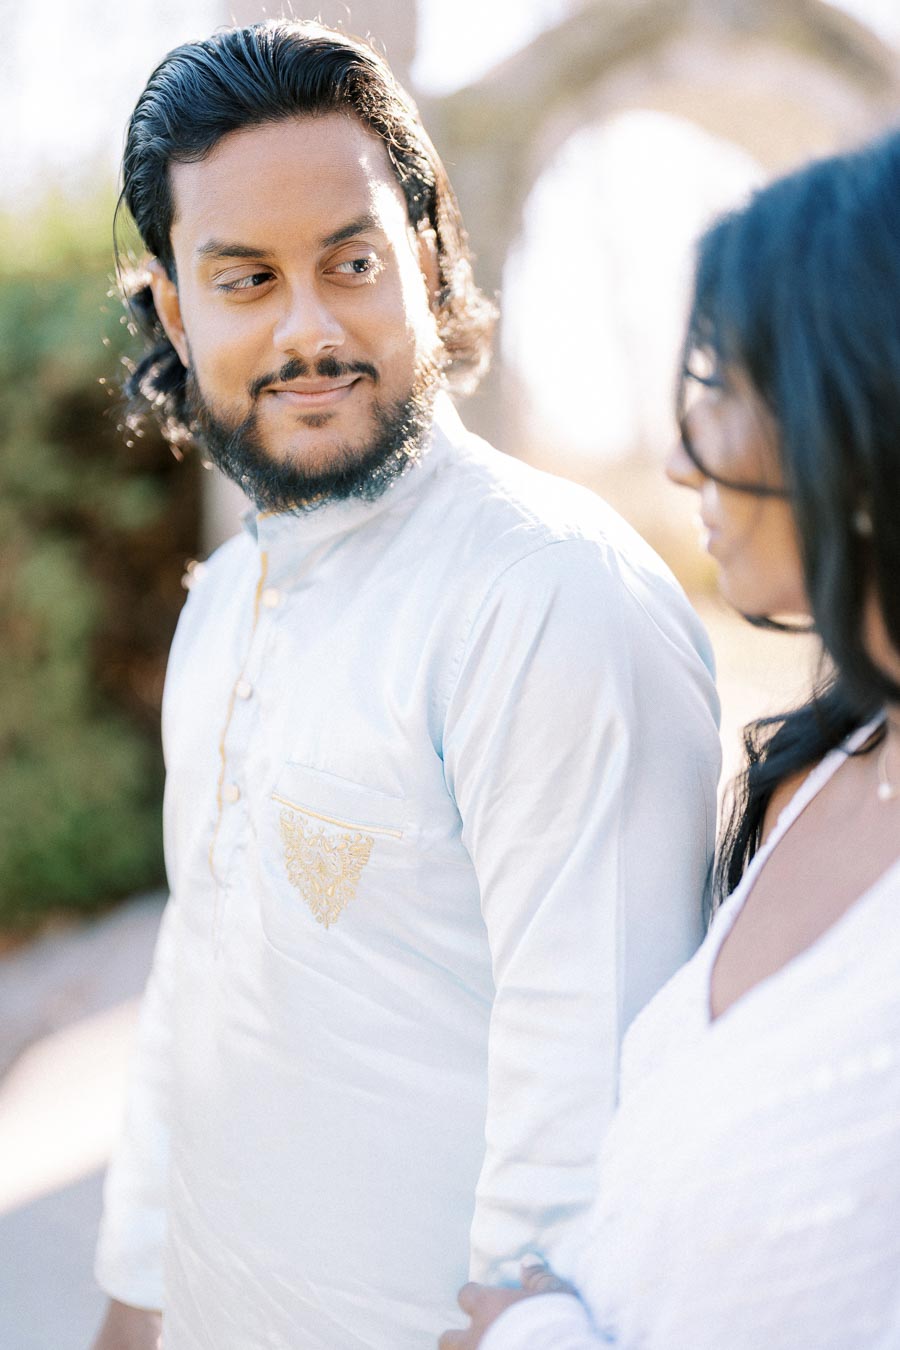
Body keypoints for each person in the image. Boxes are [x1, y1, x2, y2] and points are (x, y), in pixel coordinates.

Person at [90, 20, 720, 1350]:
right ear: (171, 309)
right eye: (246, 277)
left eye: (354, 261)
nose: (310, 327)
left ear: (430, 262)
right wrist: (133, 1304)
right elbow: (190, 1008)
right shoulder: (224, 608)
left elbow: (593, 1130)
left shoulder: (547, 596)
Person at [443, 131, 900, 1350]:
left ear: (861, 411)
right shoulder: (825, 768)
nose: (679, 450)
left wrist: (531, 1333)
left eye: (727, 381)